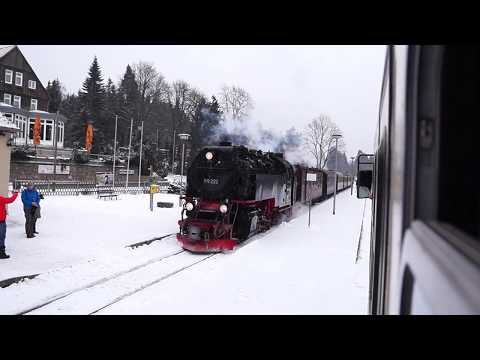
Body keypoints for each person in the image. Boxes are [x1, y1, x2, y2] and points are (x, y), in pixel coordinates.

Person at [0, 191, 19, 259]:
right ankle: (1, 253)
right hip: (1, 222)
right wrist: (15, 194)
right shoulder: (1, 199)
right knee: (1, 237)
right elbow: (10, 200)